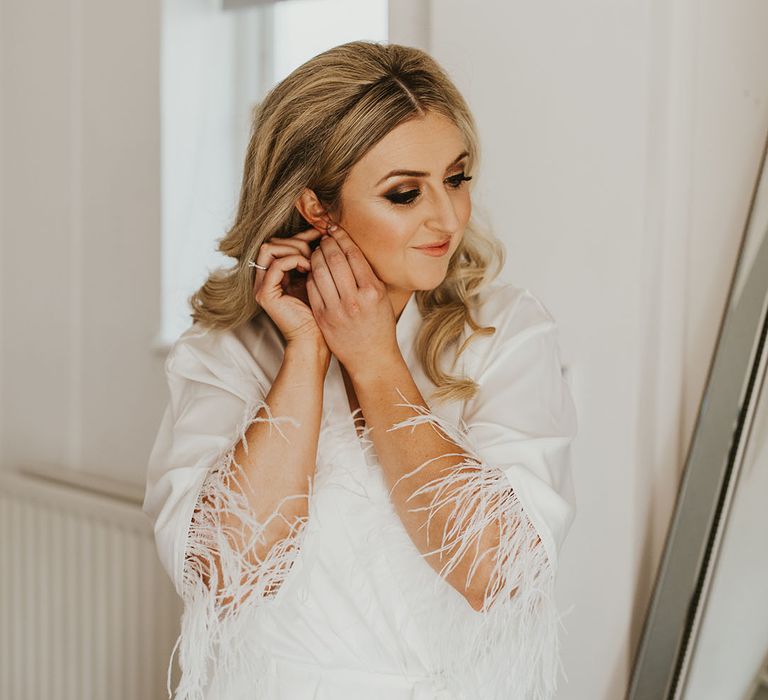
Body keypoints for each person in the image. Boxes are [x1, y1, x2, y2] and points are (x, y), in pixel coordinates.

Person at [142, 40, 578, 700]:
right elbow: (226, 579)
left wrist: (376, 361)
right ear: (317, 206)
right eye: (405, 193)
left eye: (456, 179)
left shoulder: (505, 332)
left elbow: (495, 571)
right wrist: (307, 354)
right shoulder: (226, 352)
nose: (448, 217)